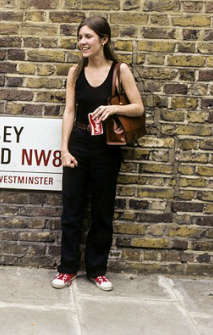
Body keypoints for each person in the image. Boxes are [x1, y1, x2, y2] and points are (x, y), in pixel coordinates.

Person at [52, 17, 144, 291]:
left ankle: (97, 270)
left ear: (104, 40)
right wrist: (64, 149)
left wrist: (114, 108)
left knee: (102, 212)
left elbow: (138, 107)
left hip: (107, 147)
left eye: (88, 36)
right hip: (79, 143)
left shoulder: (120, 70)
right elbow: (69, 111)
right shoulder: (75, 72)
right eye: (80, 37)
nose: (82, 42)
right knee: (71, 211)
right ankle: (67, 269)